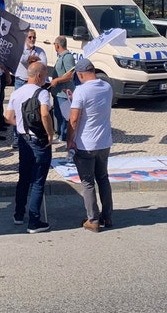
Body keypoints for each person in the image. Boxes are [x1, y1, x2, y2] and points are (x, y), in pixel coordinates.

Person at [5, 61, 54, 234]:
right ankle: (34, 221)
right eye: (45, 74)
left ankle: (19, 214)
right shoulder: (42, 94)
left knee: (23, 178)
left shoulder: (17, 93)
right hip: (39, 140)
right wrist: (50, 133)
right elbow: (45, 113)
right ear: (39, 76)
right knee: (38, 181)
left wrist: (20, 125)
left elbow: (8, 116)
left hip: (23, 140)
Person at [66, 58, 113, 234]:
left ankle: (93, 219)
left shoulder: (81, 91)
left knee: (87, 182)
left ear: (80, 74)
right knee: (103, 178)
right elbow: (96, 106)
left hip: (86, 143)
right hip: (104, 142)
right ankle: (107, 216)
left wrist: (69, 140)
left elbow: (74, 119)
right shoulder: (107, 87)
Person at [11, 29, 47, 148]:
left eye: (34, 37)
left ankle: (33, 132)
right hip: (21, 81)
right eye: (30, 37)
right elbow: (23, 60)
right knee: (18, 110)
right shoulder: (19, 49)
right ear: (26, 38)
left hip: (34, 84)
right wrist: (32, 59)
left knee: (32, 109)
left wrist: (32, 60)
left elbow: (43, 64)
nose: (32, 39)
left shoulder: (40, 50)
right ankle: (17, 137)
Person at [50, 35, 76, 142]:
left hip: (64, 93)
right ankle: (60, 134)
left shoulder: (67, 57)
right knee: (58, 114)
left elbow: (70, 75)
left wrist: (57, 80)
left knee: (65, 115)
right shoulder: (61, 56)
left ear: (57, 45)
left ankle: (65, 136)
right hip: (58, 92)